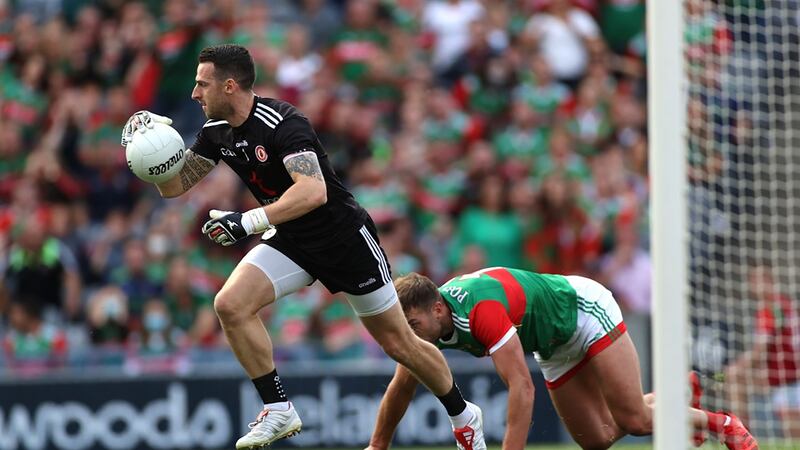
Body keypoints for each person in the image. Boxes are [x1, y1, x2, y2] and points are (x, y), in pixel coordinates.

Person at [119, 44, 485, 450]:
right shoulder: (214, 132)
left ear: (229, 85)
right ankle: (278, 408)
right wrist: (151, 151)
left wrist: (247, 221)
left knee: (398, 342)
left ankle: (464, 415)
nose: (194, 93)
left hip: (343, 240)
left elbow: (313, 192)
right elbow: (176, 186)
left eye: (201, 84)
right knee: (230, 305)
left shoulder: (283, 122)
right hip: (292, 240)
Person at [365, 267, 759, 450]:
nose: (409, 334)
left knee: (635, 422)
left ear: (437, 309)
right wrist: (377, 446)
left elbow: (521, 385)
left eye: (413, 324)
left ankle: (724, 424)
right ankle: (675, 399)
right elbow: (402, 385)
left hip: (584, 312)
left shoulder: (481, 311)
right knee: (597, 440)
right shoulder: (428, 326)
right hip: (551, 344)